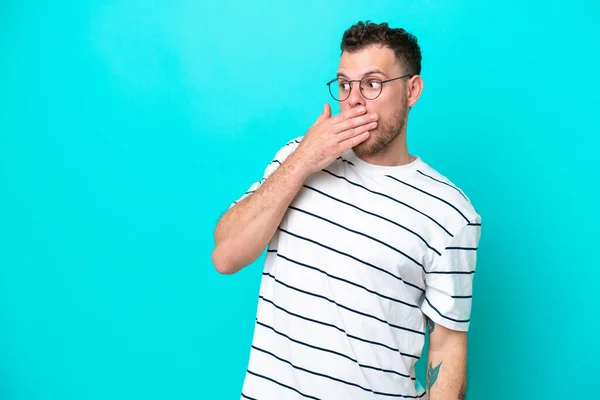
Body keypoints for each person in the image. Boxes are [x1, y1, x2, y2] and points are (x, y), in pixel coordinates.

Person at [212, 20, 481, 400]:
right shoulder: (295, 159)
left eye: (372, 84)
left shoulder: (450, 212)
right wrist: (304, 160)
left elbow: (447, 345)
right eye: (344, 84)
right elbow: (226, 256)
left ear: (412, 90)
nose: (354, 99)